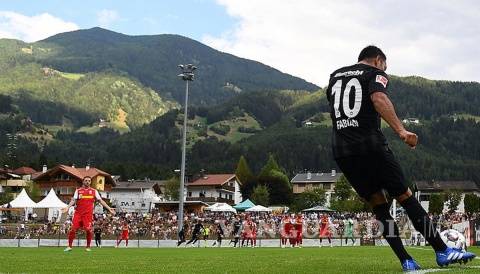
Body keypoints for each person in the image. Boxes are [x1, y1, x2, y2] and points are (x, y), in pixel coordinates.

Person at [326, 45, 476, 271]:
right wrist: (401, 131)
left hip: (342, 151)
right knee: (405, 196)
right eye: (385, 65)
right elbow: (378, 99)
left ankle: (406, 260)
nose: (385, 69)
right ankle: (442, 250)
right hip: (370, 146)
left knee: (378, 204)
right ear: (378, 60)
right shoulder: (375, 74)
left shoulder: (336, 76)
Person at [62, 176, 115, 252]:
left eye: (89, 181)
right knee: (73, 229)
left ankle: (88, 247)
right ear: (83, 181)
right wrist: (67, 207)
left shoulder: (94, 191)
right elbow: (73, 200)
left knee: (88, 230)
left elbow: (101, 201)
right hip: (78, 214)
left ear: (90, 182)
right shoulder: (78, 191)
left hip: (87, 215)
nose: (87, 182)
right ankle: (69, 246)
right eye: (86, 180)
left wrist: (109, 208)